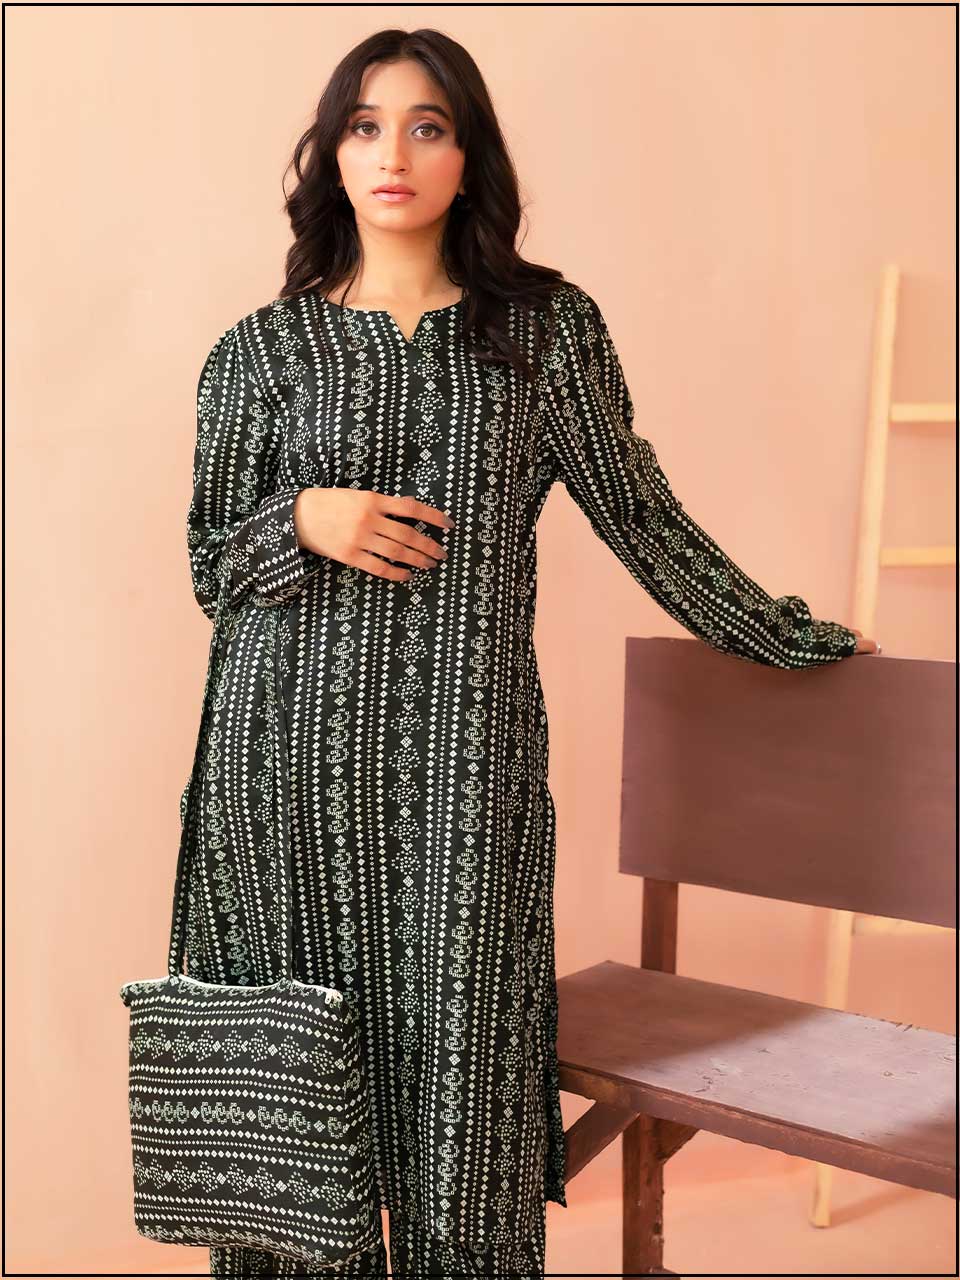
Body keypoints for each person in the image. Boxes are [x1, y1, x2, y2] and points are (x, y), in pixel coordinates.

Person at [184, 28, 878, 1280]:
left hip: (464, 773)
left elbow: (641, 516)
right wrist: (303, 520)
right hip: (279, 780)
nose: (394, 153)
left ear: (469, 157)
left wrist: (787, 635)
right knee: (295, 1127)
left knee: (468, 1106)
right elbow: (209, 564)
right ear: (332, 154)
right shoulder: (260, 351)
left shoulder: (544, 331)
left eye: (428, 126)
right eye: (364, 126)